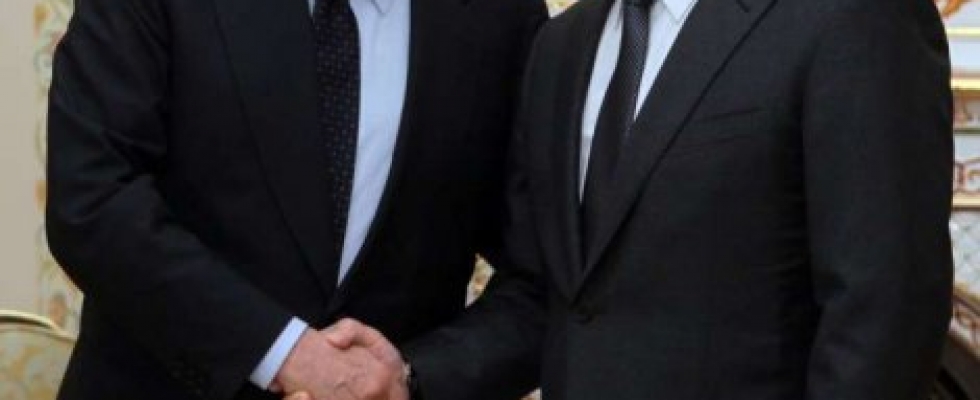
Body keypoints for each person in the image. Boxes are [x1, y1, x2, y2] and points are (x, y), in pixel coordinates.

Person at [327, 0, 956, 398]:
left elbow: (885, 315)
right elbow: (546, 297)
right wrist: (408, 378)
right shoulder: (561, 46)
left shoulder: (854, 16)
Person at [44, 0, 546, 397]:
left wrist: (410, 380)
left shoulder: (503, 16)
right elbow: (94, 198)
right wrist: (287, 352)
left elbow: (541, 280)